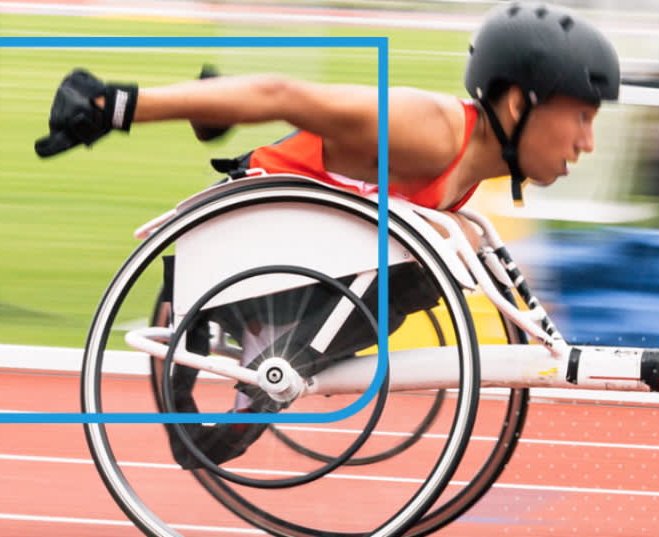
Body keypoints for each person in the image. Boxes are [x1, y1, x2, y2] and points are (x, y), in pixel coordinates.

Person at [35, 1, 620, 468]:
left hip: (305, 257)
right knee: (442, 251)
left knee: (453, 240)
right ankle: (273, 343)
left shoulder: (463, 172)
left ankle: (279, 342)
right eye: (582, 118)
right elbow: (282, 96)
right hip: (250, 246)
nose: (587, 143)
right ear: (519, 104)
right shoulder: (431, 132)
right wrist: (116, 107)